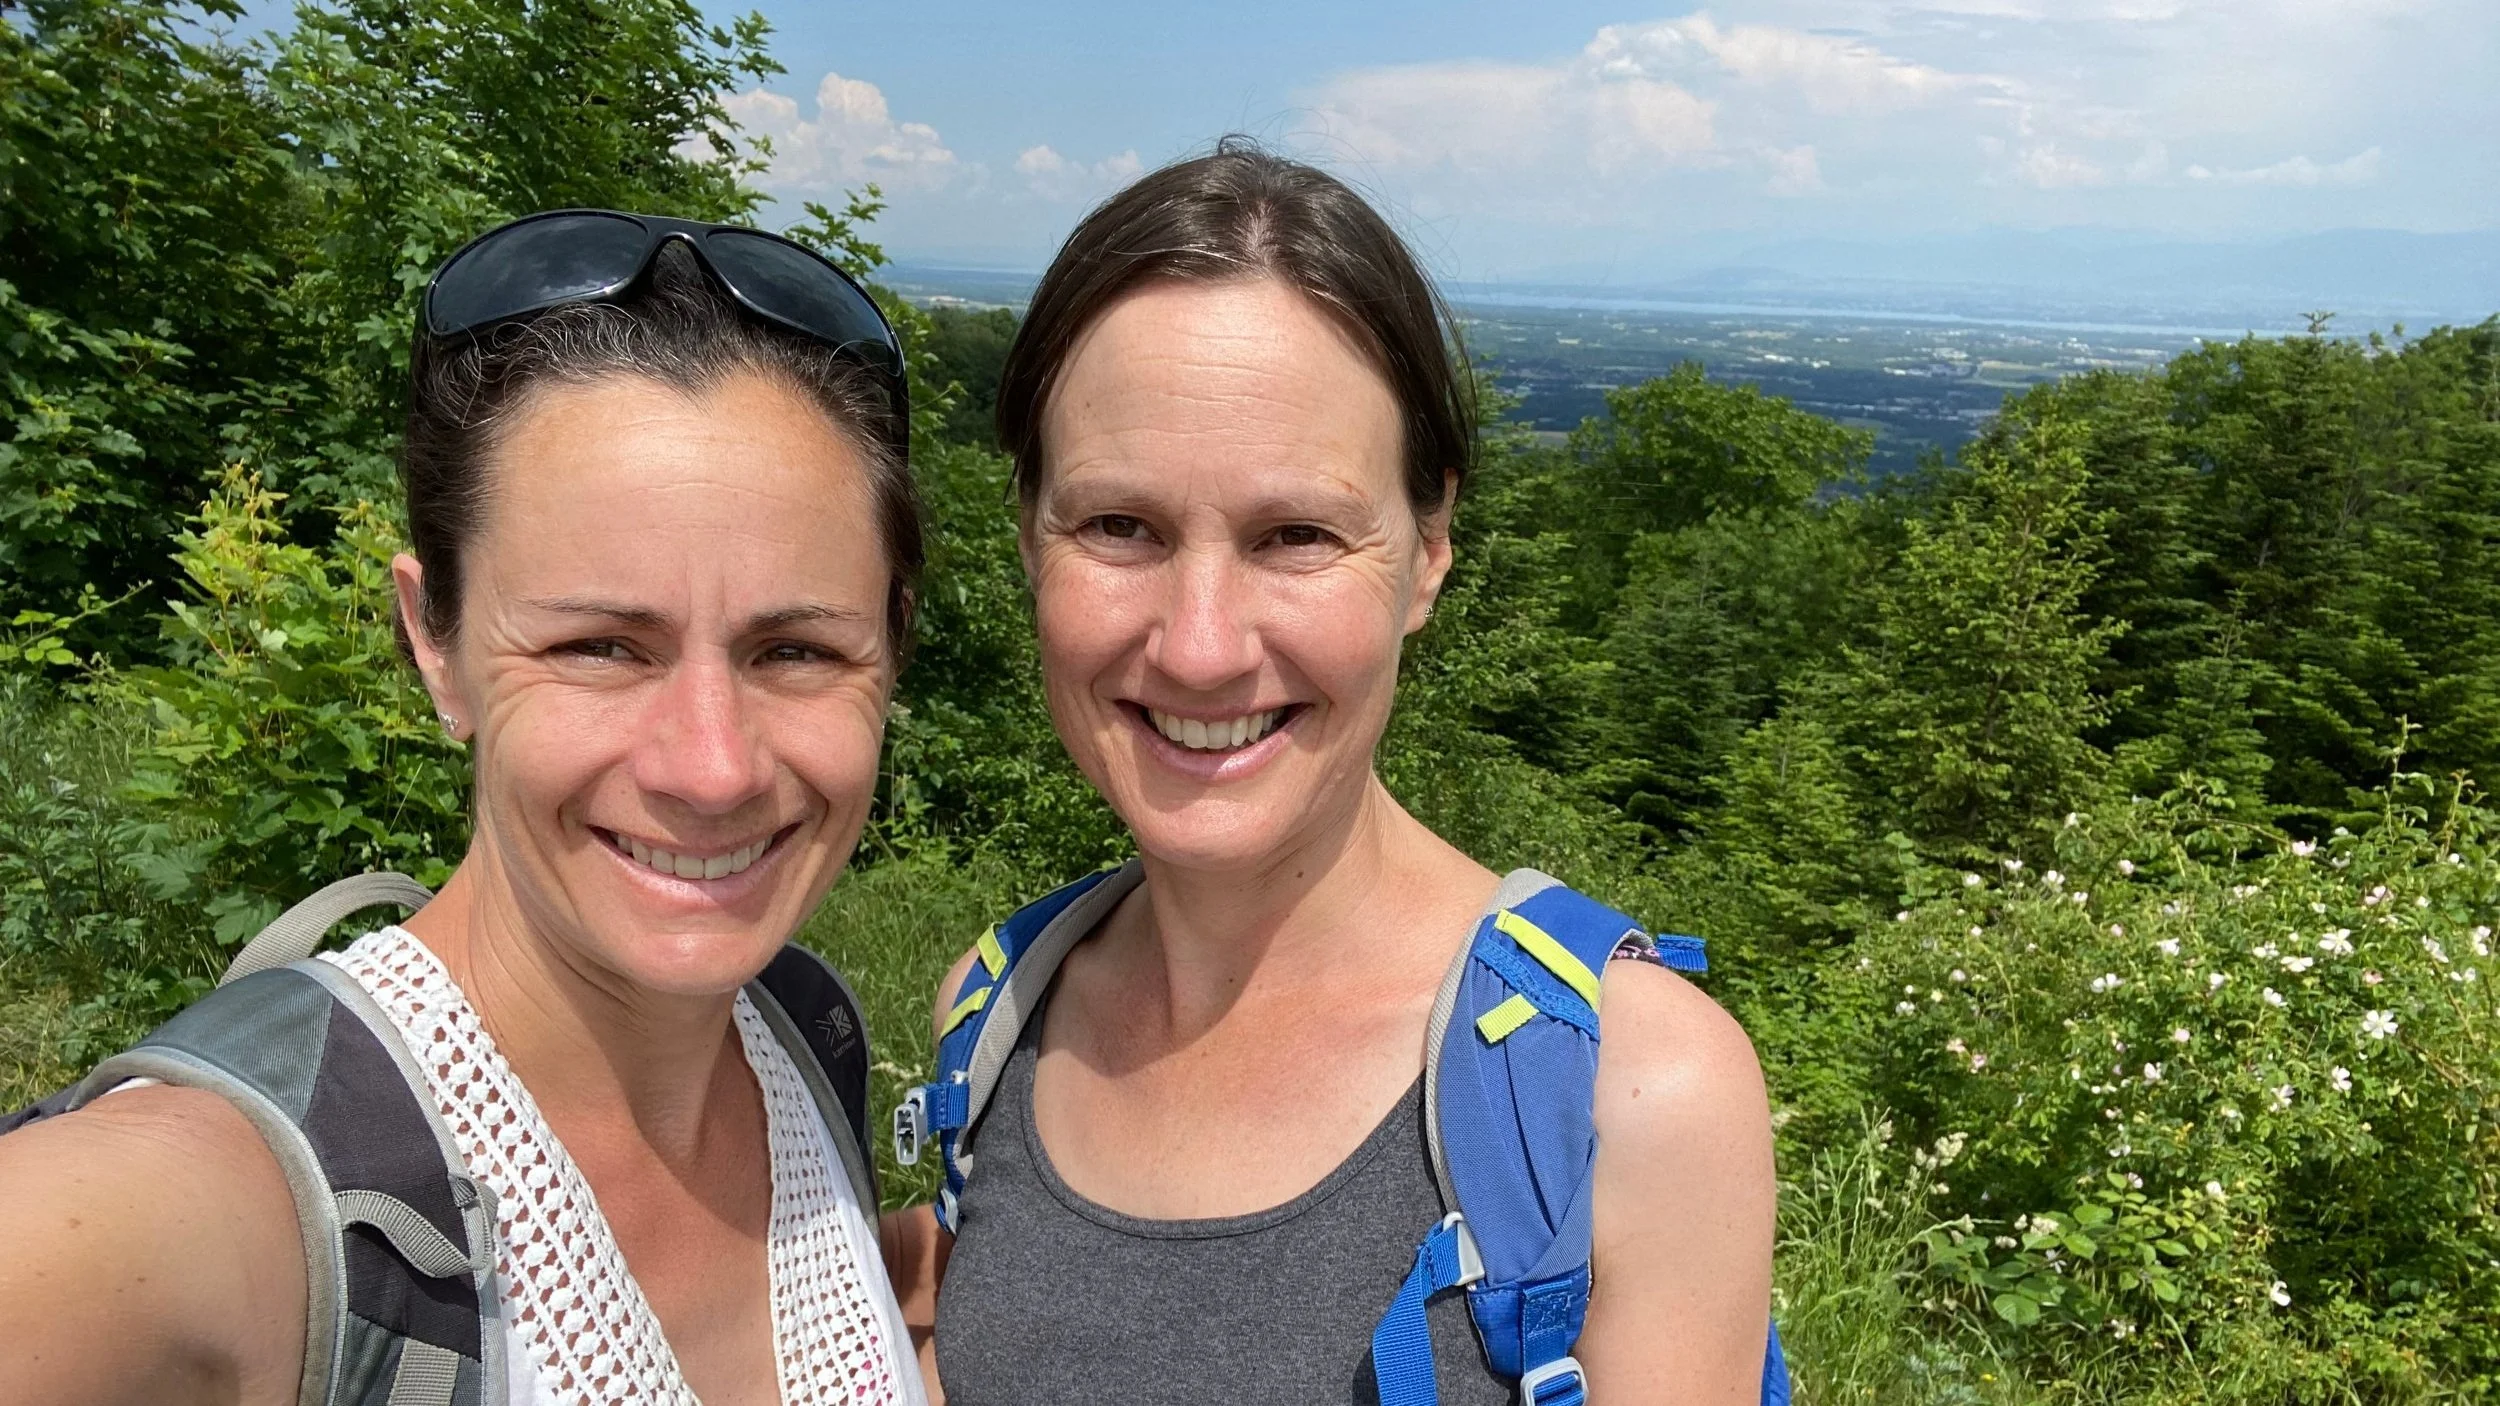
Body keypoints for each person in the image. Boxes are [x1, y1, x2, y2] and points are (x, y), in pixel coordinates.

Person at [881, 142, 1778, 1405]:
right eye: (1119, 525)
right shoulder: (991, 1016)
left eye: (1295, 533)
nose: (1198, 643)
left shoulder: (1621, 1093)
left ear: (1427, 551)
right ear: (1028, 532)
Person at [0, 212, 930, 1406]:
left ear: (891, 647)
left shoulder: (805, 1029)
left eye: (797, 649)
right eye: (599, 645)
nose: (713, 766)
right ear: (430, 641)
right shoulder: (236, 1203)